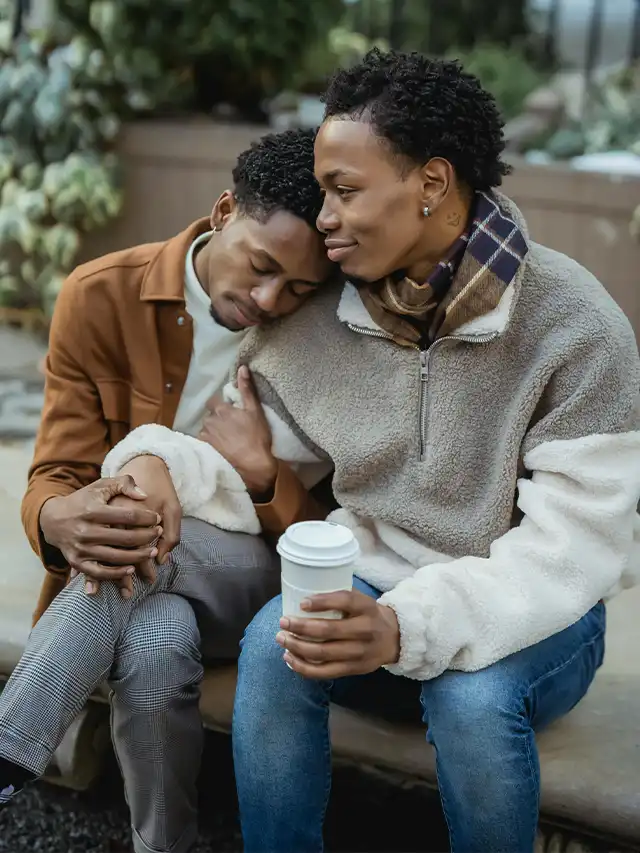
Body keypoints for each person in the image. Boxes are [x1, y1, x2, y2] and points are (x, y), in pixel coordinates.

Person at [231, 50, 640, 853]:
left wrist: (403, 623)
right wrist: (154, 470)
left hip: (535, 616)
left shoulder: (577, 326)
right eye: (322, 192)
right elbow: (234, 439)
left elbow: (572, 554)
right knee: (271, 644)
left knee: (472, 697)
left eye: (345, 191)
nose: (323, 218)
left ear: (431, 184)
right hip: (374, 585)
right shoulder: (321, 308)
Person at [0, 129, 333, 853]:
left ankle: (8, 744)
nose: (271, 299)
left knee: (145, 536)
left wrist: (262, 473)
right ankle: (166, 844)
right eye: (262, 266)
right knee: (155, 644)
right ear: (222, 211)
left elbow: (336, 534)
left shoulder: (321, 335)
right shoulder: (102, 293)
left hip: (261, 573)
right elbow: (55, 473)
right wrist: (61, 516)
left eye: (300, 286)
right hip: (147, 578)